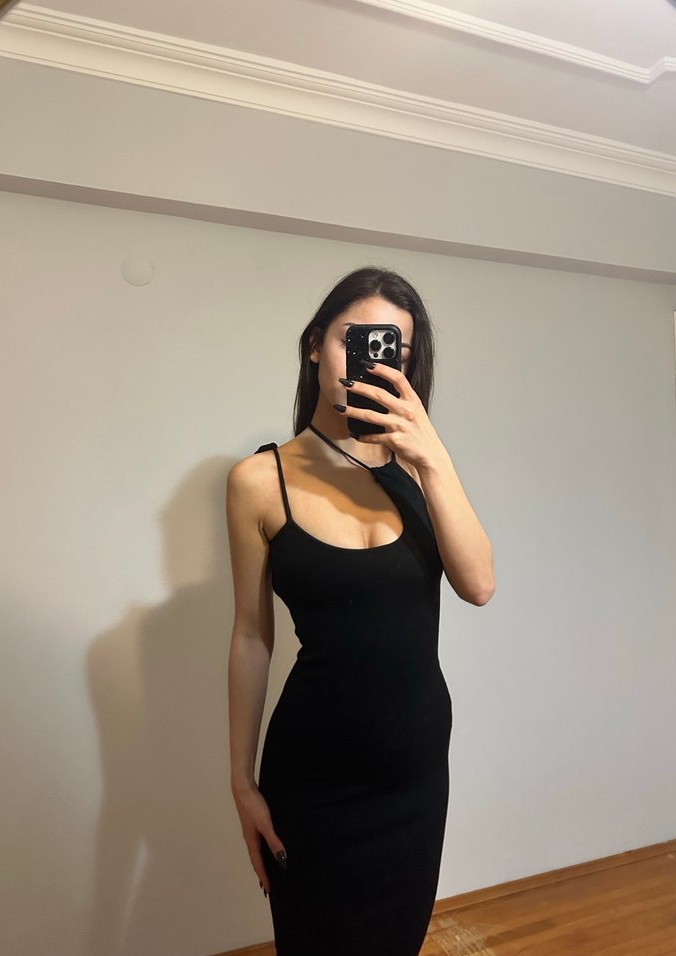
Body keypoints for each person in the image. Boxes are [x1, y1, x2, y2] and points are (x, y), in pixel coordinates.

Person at [226, 266, 495, 955]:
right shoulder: (259, 480)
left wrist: (431, 456)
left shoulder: (418, 472)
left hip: (414, 773)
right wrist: (241, 782)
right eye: (357, 339)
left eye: (392, 351)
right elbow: (251, 636)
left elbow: (479, 584)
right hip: (312, 775)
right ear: (316, 344)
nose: (372, 360)